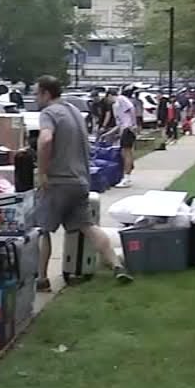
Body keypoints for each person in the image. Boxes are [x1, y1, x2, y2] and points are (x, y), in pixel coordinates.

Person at [28, 75, 133, 290]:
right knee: (88, 226)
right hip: (82, 181)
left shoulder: (48, 113)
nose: (34, 97)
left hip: (58, 181)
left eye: (36, 93)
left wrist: (43, 172)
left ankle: (41, 279)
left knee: (42, 229)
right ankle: (116, 266)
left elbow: (46, 139)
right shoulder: (74, 111)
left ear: (46, 94)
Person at [100, 85, 139, 188]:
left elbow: (131, 108)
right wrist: (107, 134)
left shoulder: (121, 99)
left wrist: (133, 125)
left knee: (126, 153)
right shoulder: (114, 107)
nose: (106, 101)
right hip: (123, 129)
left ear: (110, 95)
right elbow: (118, 124)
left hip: (128, 128)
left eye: (107, 98)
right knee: (124, 153)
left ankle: (127, 178)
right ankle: (127, 173)